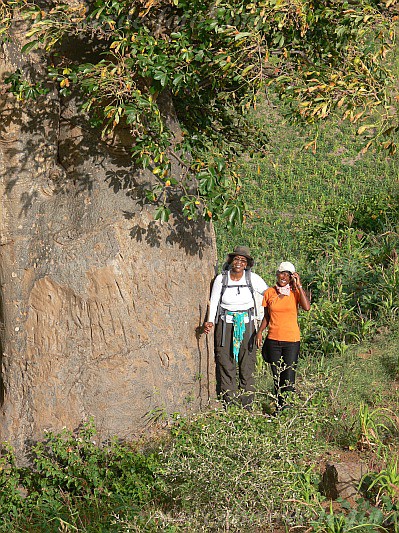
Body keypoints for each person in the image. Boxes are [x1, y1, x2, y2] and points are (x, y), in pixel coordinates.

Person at [204, 246, 268, 409]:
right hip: (225, 324)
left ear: (247, 264)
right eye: (236, 259)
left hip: (247, 324)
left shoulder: (252, 279)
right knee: (226, 361)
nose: (239, 263)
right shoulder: (221, 279)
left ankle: (247, 403)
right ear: (231, 261)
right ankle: (229, 402)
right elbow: (214, 301)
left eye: (243, 260)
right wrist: (210, 321)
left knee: (247, 361)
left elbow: (268, 294)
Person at [255, 261, 310, 411]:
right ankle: (279, 407)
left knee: (289, 375)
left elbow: (306, 307)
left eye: (287, 274)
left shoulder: (295, 292)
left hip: (291, 340)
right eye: (281, 273)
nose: (283, 277)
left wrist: (299, 285)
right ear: (277, 274)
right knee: (277, 376)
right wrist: (260, 332)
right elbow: (267, 315)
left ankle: (287, 408)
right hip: (273, 340)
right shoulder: (270, 293)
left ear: (292, 277)